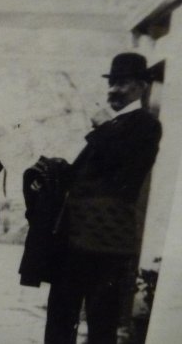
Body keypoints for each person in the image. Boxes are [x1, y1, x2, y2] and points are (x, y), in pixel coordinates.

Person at [44, 52, 162, 344]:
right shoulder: (110, 126)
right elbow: (85, 175)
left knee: (101, 322)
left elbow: (125, 176)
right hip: (74, 237)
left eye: (122, 83)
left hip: (107, 242)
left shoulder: (146, 126)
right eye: (112, 83)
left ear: (141, 86)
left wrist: (103, 128)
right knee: (60, 315)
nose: (113, 90)